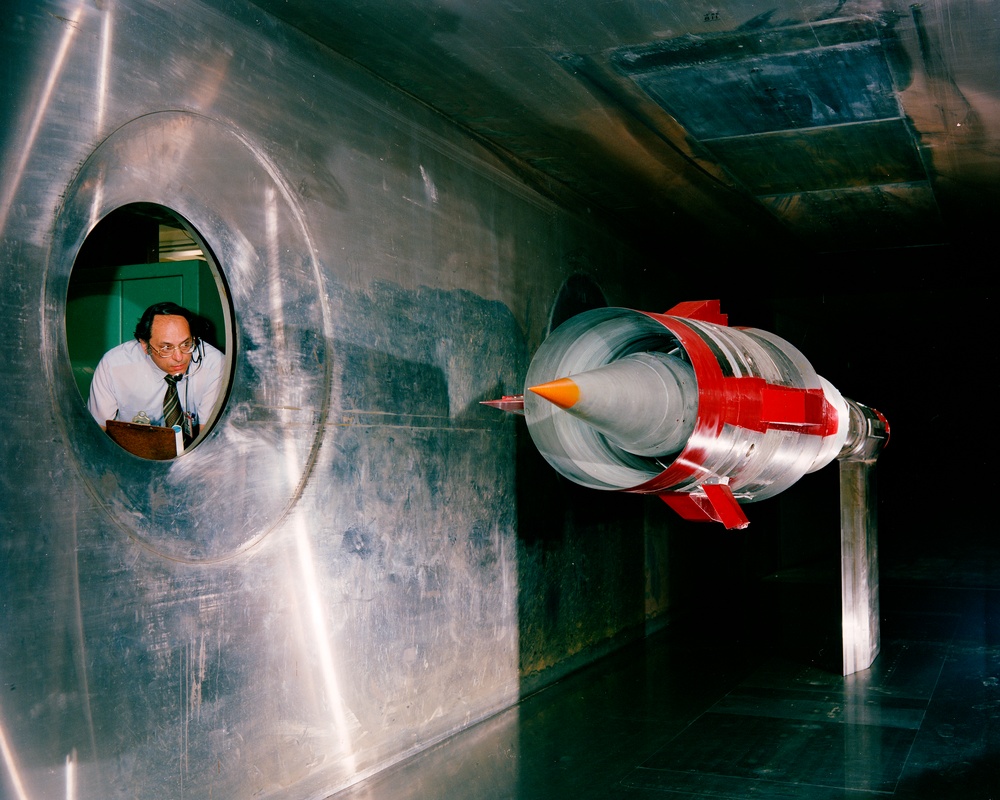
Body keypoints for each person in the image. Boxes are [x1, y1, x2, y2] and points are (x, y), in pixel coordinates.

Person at [88, 301, 225, 442]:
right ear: (144, 345)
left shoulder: (214, 364)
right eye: (166, 347)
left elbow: (209, 441)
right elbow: (96, 434)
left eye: (186, 344)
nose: (179, 357)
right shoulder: (114, 366)